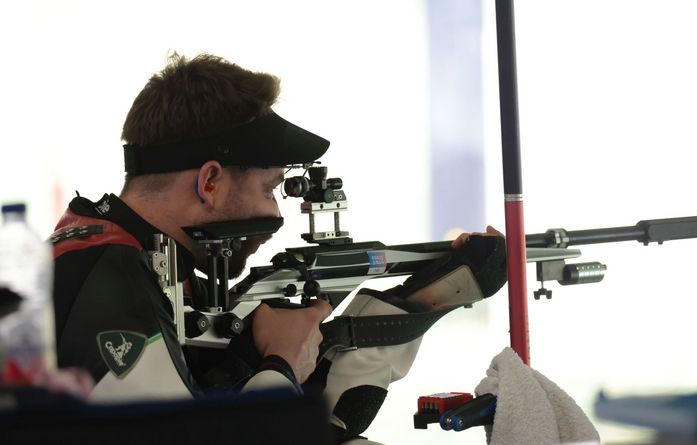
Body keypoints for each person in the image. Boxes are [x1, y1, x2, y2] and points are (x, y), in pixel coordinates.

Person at [50, 53, 507, 444]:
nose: (276, 213)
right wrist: (281, 362)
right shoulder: (107, 280)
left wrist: (416, 302)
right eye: (271, 188)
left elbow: (306, 423)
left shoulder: (139, 262)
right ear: (210, 182)